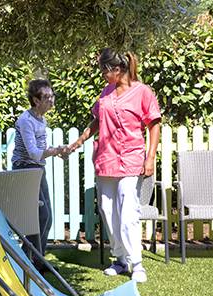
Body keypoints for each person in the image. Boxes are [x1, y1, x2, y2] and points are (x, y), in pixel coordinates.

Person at [65, 48, 161, 283]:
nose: (102, 75)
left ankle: (136, 263)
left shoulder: (143, 92)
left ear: (117, 70)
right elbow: (97, 120)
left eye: (104, 71)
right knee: (108, 212)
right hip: (105, 160)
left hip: (130, 158)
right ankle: (120, 259)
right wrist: (80, 140)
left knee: (128, 212)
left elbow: (154, 125)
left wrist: (150, 158)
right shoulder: (105, 93)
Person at [12, 79, 65, 272]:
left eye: (52, 96)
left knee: (46, 217)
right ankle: (31, 260)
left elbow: (40, 152)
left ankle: (33, 259)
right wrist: (55, 150)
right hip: (24, 169)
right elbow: (33, 152)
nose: (51, 100)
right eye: (47, 97)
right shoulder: (25, 120)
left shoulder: (41, 119)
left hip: (37, 169)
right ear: (35, 100)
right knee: (40, 216)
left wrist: (58, 152)